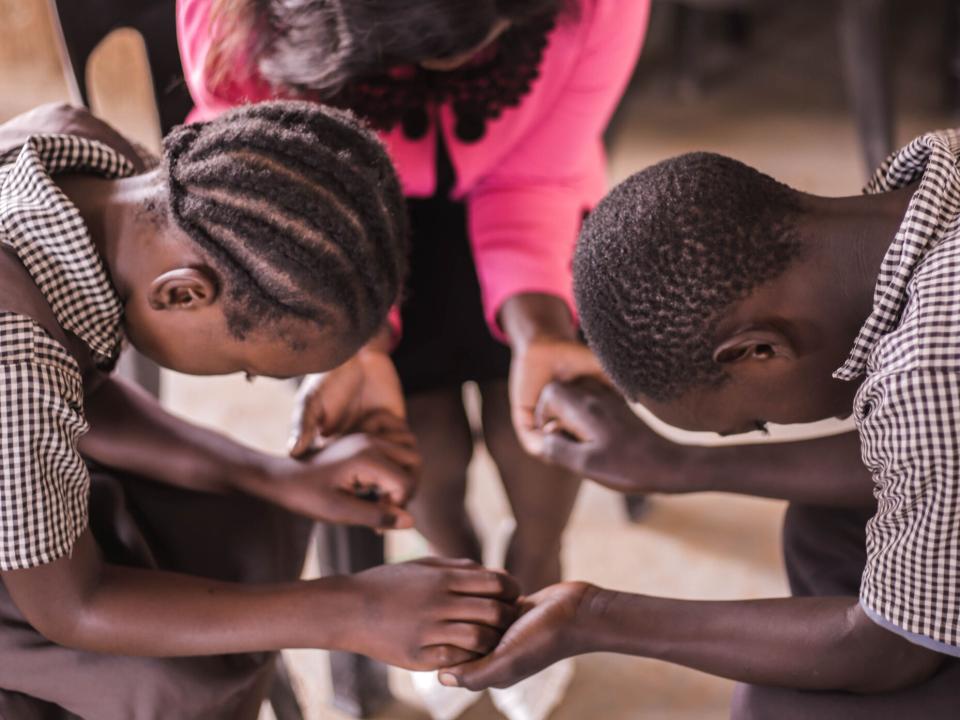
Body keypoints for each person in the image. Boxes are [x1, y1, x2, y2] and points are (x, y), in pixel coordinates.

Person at [177, 2, 648, 714]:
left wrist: (540, 330)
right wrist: (359, 339)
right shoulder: (238, 29)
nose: (456, 66)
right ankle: (457, 560)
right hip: (322, 211)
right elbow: (288, 204)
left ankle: (537, 558)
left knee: (540, 402)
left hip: (535, 186)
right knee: (415, 425)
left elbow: (540, 174)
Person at [0, 101, 521, 720]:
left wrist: (275, 476)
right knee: (176, 688)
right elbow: (73, 607)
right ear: (184, 292)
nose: (242, 377)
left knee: (253, 519)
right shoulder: (14, 353)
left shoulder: (95, 160)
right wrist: (353, 610)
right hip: (55, 590)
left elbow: (72, 395)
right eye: (246, 368)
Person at [438, 143, 960, 718]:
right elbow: (924, 445)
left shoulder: (927, 364)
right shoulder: (931, 167)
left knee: (781, 707)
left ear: (758, 350)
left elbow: (885, 653)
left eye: (755, 423)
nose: (765, 426)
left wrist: (593, 618)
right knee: (825, 523)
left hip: (890, 647)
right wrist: (679, 467)